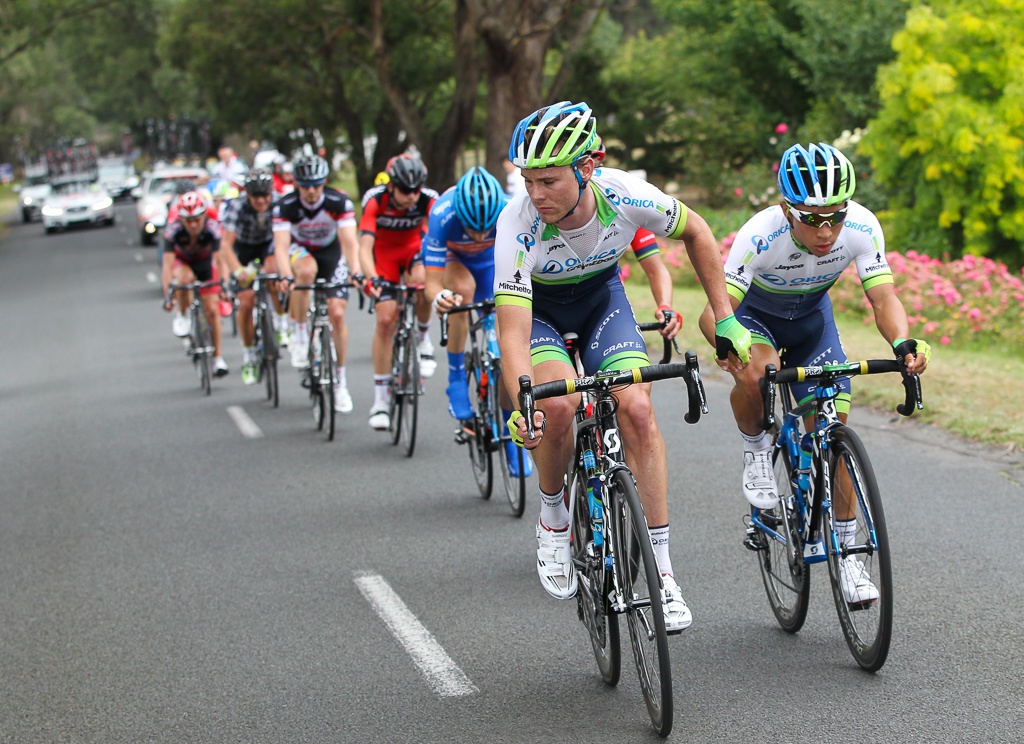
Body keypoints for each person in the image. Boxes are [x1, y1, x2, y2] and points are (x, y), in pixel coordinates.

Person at [496, 101, 750, 631]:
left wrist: (724, 319)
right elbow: (513, 330)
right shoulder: (517, 223)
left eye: (548, 180)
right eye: (527, 180)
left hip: (600, 302)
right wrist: (522, 399)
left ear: (588, 167)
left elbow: (698, 232)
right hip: (540, 312)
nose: (535, 194)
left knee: (636, 409)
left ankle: (662, 573)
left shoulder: (625, 192)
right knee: (558, 404)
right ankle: (552, 514)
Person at [697, 142, 930, 602]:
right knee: (760, 372)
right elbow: (715, 311)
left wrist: (902, 342)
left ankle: (847, 557)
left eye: (834, 216)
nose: (826, 231)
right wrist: (726, 340)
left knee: (833, 432)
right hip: (756, 321)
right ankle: (756, 450)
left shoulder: (861, 225)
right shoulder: (760, 233)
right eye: (811, 218)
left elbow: (883, 297)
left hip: (811, 324)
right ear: (786, 210)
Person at [423, 166, 534, 478]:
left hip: (491, 265)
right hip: (454, 263)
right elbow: (431, 282)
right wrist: (438, 297)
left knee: (504, 350)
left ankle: (513, 439)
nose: (479, 236)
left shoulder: (508, 208)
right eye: (472, 231)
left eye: (485, 230)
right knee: (460, 294)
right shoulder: (442, 214)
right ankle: (456, 377)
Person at [272, 154, 362, 414]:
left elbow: (349, 242)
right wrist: (285, 274)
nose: (311, 191)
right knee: (305, 273)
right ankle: (300, 336)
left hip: (331, 252)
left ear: (324, 183)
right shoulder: (285, 205)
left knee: (336, 313)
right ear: (297, 185)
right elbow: (280, 247)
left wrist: (355, 270)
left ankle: (340, 382)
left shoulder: (338, 201)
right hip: (301, 251)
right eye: (305, 186)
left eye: (316, 185)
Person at [358, 154, 439, 430]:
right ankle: (380, 400)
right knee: (385, 319)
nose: (412, 196)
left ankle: (423, 338)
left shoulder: (428, 199)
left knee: (422, 279)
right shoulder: (375, 200)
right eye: (406, 190)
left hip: (413, 250)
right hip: (383, 256)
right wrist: (371, 279)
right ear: (391, 186)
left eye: (416, 189)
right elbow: (364, 248)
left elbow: (439, 240)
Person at [219, 169, 288, 385]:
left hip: (269, 246)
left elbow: (284, 240)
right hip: (244, 249)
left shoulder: (278, 202)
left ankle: (281, 322)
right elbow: (225, 246)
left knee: (273, 270)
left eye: (265, 195)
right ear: (247, 194)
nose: (262, 200)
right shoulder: (236, 206)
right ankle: (249, 354)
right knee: (246, 302)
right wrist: (237, 270)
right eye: (256, 196)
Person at [161, 191, 230, 377]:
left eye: (197, 220)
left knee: (213, 310)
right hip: (182, 263)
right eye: (188, 220)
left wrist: (224, 285)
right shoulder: (172, 231)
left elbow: (220, 260)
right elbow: (167, 266)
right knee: (184, 279)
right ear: (181, 219)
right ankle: (183, 314)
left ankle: (217, 358)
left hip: (204, 263)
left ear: (204, 216)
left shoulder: (212, 228)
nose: (192, 225)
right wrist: (168, 294)